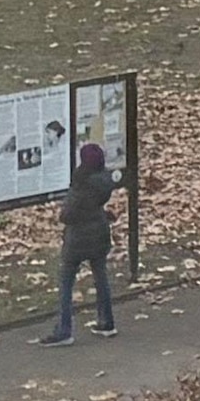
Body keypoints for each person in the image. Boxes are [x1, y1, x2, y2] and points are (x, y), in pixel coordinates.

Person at [45, 134, 117, 340]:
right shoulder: (105, 181)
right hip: (100, 233)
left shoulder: (81, 183)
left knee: (66, 281)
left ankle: (64, 330)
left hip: (78, 239)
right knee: (101, 277)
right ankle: (107, 322)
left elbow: (67, 214)